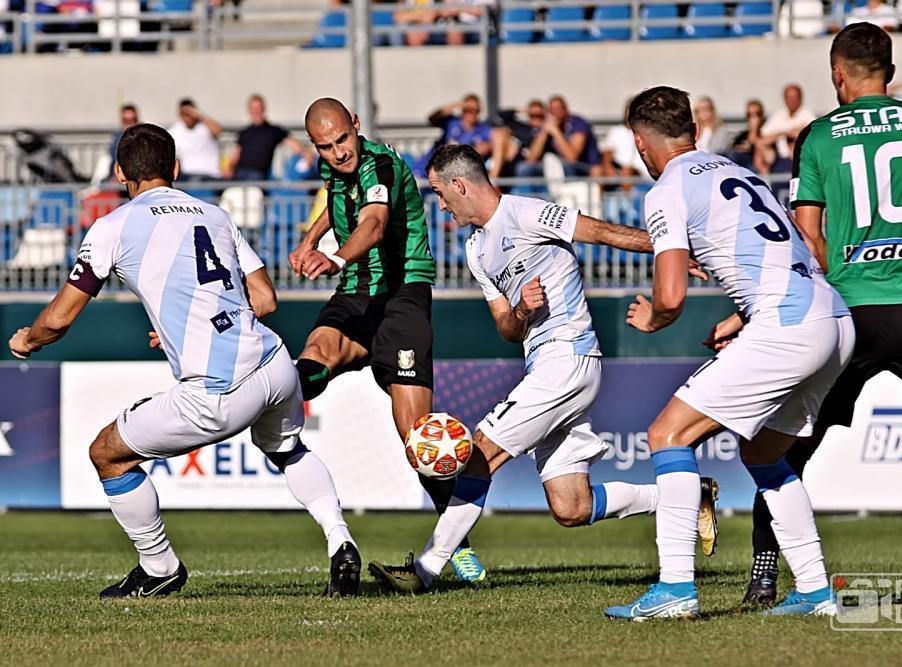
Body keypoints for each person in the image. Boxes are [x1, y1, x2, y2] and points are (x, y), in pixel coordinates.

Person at [7, 124, 359, 598]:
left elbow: (59, 318)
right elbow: (264, 299)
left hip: (219, 388)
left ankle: (159, 568)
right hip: (275, 362)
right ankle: (340, 540)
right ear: (175, 168)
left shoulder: (113, 226)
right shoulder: (215, 214)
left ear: (119, 173)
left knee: (107, 453)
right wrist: (202, 321)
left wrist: (29, 339)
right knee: (287, 450)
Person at [366, 145, 713, 593]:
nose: (441, 205)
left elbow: (600, 231)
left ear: (459, 185)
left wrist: (670, 251)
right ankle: (688, 495)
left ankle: (425, 571)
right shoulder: (476, 250)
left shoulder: (525, 213)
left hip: (567, 357)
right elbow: (506, 328)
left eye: (438, 192)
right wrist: (521, 311)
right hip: (546, 365)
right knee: (571, 507)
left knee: (479, 454)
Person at [744, 22, 902, 607]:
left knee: (787, 448)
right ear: (891, 69)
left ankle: (764, 576)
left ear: (838, 74)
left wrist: (838, 282)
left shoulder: (818, 136)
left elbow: (808, 234)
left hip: (849, 313)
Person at [604, 86, 854, 620]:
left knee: (667, 436)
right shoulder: (739, 172)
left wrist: (655, 317)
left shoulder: (667, 188)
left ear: (640, 143)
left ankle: (675, 589)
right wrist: (743, 317)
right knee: (763, 454)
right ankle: (815, 591)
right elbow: (805, 255)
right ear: (694, 131)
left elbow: (671, 295)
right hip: (833, 318)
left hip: (787, 325)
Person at [287, 98, 487, 583]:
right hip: (357, 292)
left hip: (401, 295)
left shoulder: (380, 165)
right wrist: (311, 238)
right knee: (312, 359)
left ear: (356, 126)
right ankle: (261, 410)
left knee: (417, 437)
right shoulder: (335, 167)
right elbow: (339, 201)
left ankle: (456, 543)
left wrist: (335, 257)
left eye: (343, 140)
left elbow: (373, 224)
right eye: (326, 146)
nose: (338, 152)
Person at [514, 95, 601, 192]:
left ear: (566, 109)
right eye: (552, 110)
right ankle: (527, 199)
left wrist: (555, 131)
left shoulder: (578, 124)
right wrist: (544, 133)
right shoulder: (546, 125)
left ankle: (564, 198)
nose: (556, 112)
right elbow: (531, 159)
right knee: (524, 168)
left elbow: (572, 158)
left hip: (582, 168)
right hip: (554, 168)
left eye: (559, 108)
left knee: (566, 166)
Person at [225, 94, 313, 181]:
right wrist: (229, 169)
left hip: (258, 174)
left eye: (258, 108)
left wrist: (306, 152)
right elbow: (235, 155)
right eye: (253, 108)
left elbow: (295, 145)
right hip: (240, 172)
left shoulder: (273, 131)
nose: (256, 111)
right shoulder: (244, 133)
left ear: (263, 109)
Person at [421, 94, 494, 174]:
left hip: (459, 172)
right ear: (462, 109)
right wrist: (455, 105)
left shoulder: (483, 129)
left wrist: (489, 147)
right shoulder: (451, 122)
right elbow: (432, 119)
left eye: (475, 110)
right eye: (468, 109)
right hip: (432, 166)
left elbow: (496, 142)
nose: (472, 113)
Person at [756, 84, 815, 174]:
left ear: (800, 98)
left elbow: (811, 136)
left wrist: (788, 134)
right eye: (788, 97)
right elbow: (763, 136)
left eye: (794, 97)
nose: (791, 100)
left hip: (798, 159)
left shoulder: (807, 115)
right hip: (777, 158)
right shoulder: (778, 115)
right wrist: (783, 133)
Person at [168, 98, 222, 180]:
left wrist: (200, 115)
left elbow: (218, 131)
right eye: (185, 114)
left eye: (190, 114)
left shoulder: (205, 127)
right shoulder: (175, 131)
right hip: (187, 176)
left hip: (209, 175)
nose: (188, 117)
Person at [730, 99, 766, 172]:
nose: (753, 118)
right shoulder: (743, 135)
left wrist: (754, 129)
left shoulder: (767, 131)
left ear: (762, 115)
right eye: (750, 115)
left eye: (757, 114)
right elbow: (734, 148)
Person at [108, 103, 138, 180]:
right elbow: (114, 158)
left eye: (131, 120)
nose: (128, 124)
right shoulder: (117, 136)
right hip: (116, 176)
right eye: (125, 121)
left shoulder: (140, 136)